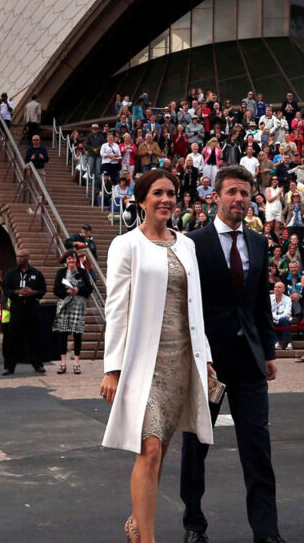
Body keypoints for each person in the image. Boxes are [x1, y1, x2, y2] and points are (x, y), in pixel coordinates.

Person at [100, 168, 215, 543]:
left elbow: (196, 307)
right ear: (141, 200)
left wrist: (206, 359)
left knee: (160, 451)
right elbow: (116, 308)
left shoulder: (187, 245)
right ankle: (146, 539)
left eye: (171, 193)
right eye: (158, 193)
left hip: (181, 360)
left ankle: (137, 522)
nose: (166, 199)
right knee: (148, 448)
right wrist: (112, 368)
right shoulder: (126, 245)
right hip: (141, 364)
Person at [182, 165, 283, 543]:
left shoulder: (258, 243)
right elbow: (186, 305)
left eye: (245, 193)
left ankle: (267, 531)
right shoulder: (192, 243)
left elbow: (259, 304)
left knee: (257, 447)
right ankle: (194, 525)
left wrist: (268, 351)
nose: (239, 199)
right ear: (216, 197)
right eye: (232, 192)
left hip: (249, 362)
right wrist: (193, 355)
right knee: (197, 447)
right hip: (207, 364)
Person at [1, 249, 47, 375]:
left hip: (32, 307)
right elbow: (5, 288)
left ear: (27, 258)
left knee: (35, 337)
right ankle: (9, 366)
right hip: (17, 308)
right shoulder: (11, 273)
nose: (18, 259)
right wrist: (17, 292)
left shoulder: (36, 273)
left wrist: (33, 293)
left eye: (21, 257)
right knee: (12, 338)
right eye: (17, 256)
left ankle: (38, 364)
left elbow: (43, 289)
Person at [53, 250, 93, 375]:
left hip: (78, 306)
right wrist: (67, 292)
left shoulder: (82, 272)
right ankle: (63, 364)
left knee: (77, 335)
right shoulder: (61, 273)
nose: (71, 261)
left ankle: (76, 364)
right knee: (62, 335)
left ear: (76, 260)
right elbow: (56, 289)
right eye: (69, 259)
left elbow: (89, 288)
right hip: (64, 307)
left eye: (73, 258)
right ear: (66, 260)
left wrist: (78, 290)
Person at [269, 281, 293, 350]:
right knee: (268, 321)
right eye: (275, 287)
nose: (276, 289)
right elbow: (267, 310)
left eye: (279, 287)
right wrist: (272, 318)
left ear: (283, 290)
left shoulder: (288, 299)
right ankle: (276, 343)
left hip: (283, 319)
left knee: (284, 319)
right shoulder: (270, 298)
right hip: (272, 320)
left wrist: (276, 318)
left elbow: (287, 313)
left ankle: (289, 342)